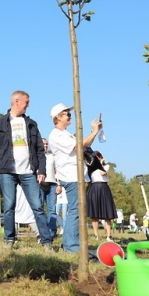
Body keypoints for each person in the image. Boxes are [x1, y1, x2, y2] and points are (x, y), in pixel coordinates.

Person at [0, 91, 52, 251]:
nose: (28, 104)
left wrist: (41, 170)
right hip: (7, 171)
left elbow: (40, 151)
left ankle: (46, 241)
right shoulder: (0, 123)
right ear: (16, 101)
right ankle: (9, 239)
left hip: (29, 171)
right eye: (26, 102)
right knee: (9, 207)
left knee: (37, 206)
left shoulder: (31, 124)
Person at [48, 103, 102, 253]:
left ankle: (70, 244)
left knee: (76, 210)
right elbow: (78, 146)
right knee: (75, 210)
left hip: (74, 175)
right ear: (58, 117)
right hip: (70, 176)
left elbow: (83, 144)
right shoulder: (57, 134)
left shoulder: (65, 133)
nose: (70, 116)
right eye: (67, 114)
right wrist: (94, 131)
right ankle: (71, 246)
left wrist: (94, 132)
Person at [86, 151, 117, 242]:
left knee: (107, 213)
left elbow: (103, 173)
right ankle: (96, 235)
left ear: (100, 157)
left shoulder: (106, 166)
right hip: (93, 188)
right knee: (94, 214)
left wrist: (101, 163)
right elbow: (88, 179)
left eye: (97, 157)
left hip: (103, 188)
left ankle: (108, 236)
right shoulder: (90, 167)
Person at [41, 138, 60, 237]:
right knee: (39, 209)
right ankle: (42, 232)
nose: (45, 146)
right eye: (43, 144)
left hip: (52, 184)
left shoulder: (52, 157)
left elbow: (57, 171)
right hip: (40, 184)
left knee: (51, 209)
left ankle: (52, 232)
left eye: (46, 144)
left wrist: (59, 184)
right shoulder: (36, 156)